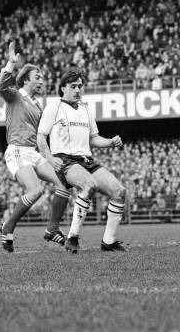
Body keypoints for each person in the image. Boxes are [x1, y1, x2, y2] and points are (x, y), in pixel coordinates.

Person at [37, 67, 126, 253]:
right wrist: (50, 158)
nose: (78, 90)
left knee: (119, 191)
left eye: (80, 86)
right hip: (65, 159)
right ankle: (72, 238)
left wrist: (110, 142)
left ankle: (108, 242)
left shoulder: (86, 109)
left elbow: (93, 138)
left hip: (86, 159)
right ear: (63, 88)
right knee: (89, 185)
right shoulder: (54, 106)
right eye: (73, 86)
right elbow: (41, 136)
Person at [0, 42, 71, 252]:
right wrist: (11, 63)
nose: (42, 81)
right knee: (35, 190)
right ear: (26, 79)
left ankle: (52, 229)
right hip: (18, 150)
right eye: (38, 77)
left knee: (64, 183)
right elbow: (1, 87)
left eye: (43, 77)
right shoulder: (16, 95)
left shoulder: (39, 105)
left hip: (33, 152)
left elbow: (42, 134)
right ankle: (8, 226)